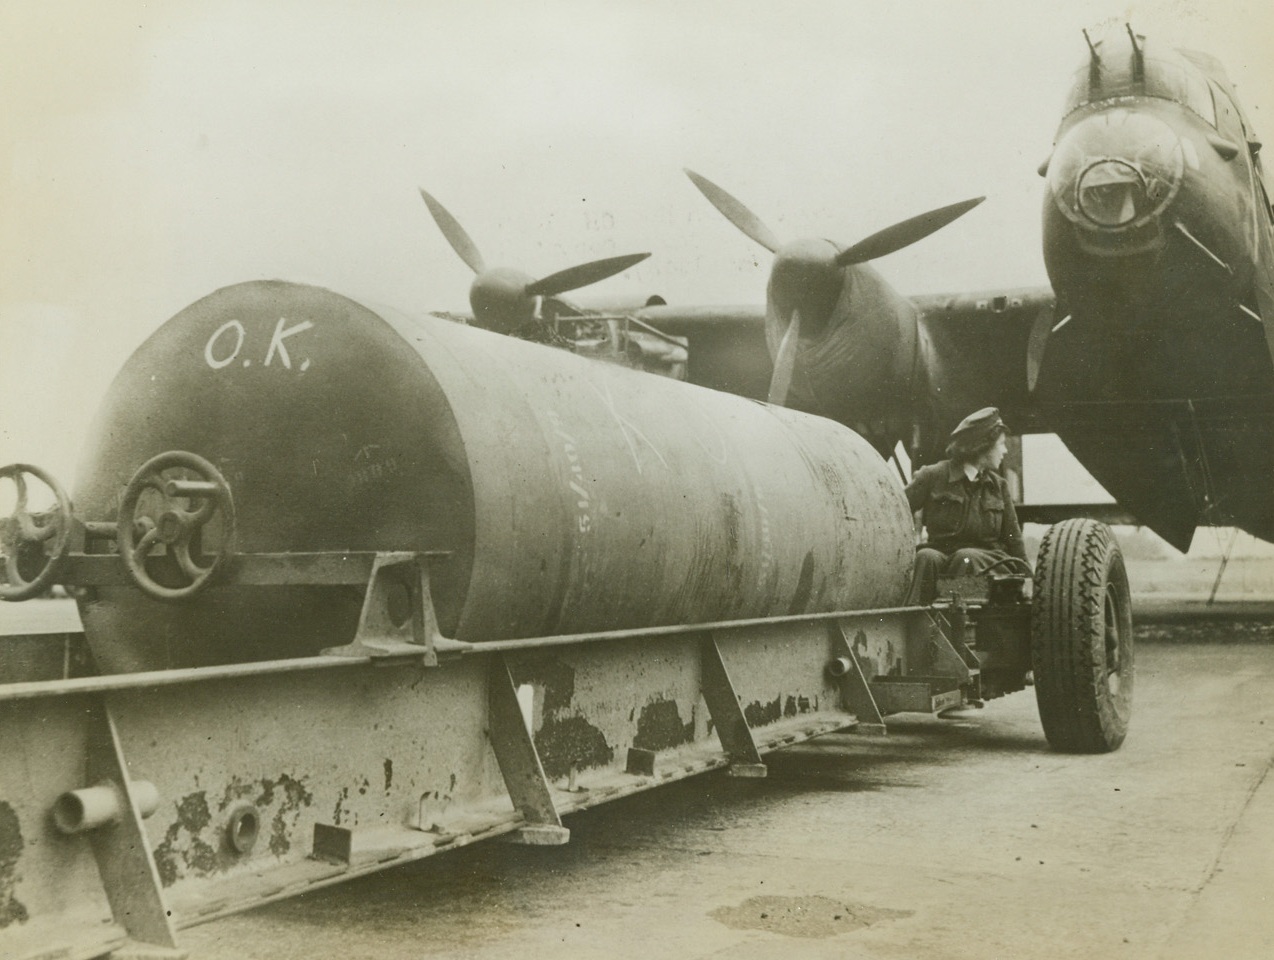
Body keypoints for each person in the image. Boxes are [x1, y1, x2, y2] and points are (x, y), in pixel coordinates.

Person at [904, 407, 1030, 604]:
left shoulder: (999, 486)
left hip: (989, 565)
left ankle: (956, 625)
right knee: (926, 557)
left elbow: (1014, 539)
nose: (1005, 451)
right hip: (943, 555)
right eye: (1001, 444)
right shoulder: (933, 476)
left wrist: (1028, 578)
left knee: (966, 557)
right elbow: (896, 509)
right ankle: (913, 622)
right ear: (983, 446)